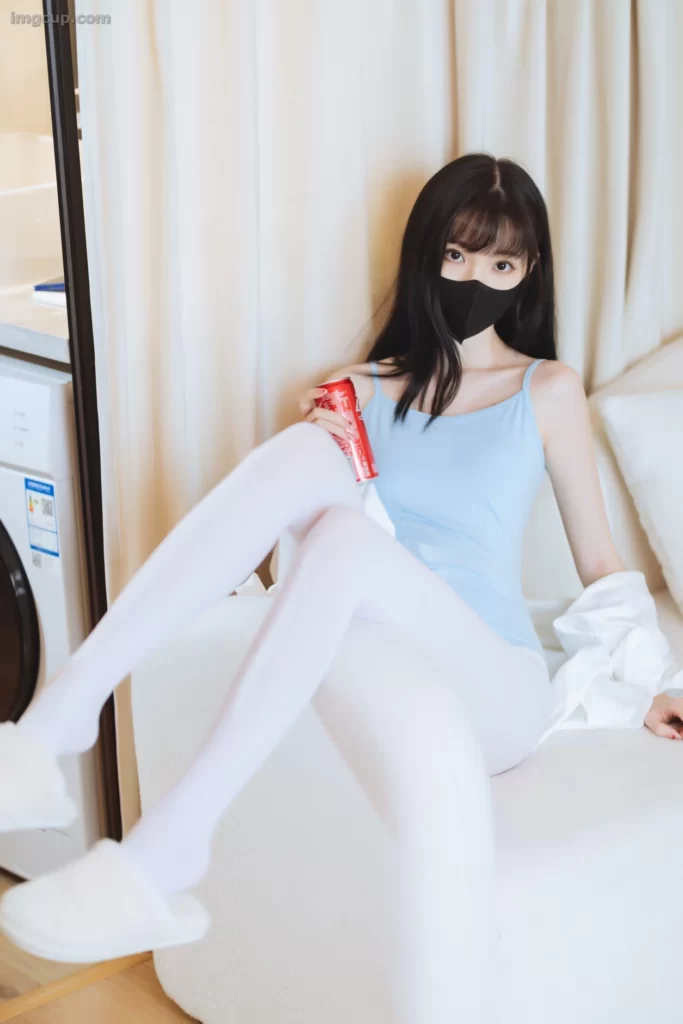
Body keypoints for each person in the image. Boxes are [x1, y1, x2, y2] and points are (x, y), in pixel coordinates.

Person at [0, 153, 681, 969]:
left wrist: (645, 680)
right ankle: (56, 724)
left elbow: (597, 556)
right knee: (306, 454)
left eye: (501, 264)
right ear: (424, 254)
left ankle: (165, 840)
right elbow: (289, 554)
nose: (475, 279)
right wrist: (325, 454)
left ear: (529, 272)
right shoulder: (358, 389)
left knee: (347, 537)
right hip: (380, 659)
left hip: (494, 682)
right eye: (456, 255)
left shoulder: (546, 389)